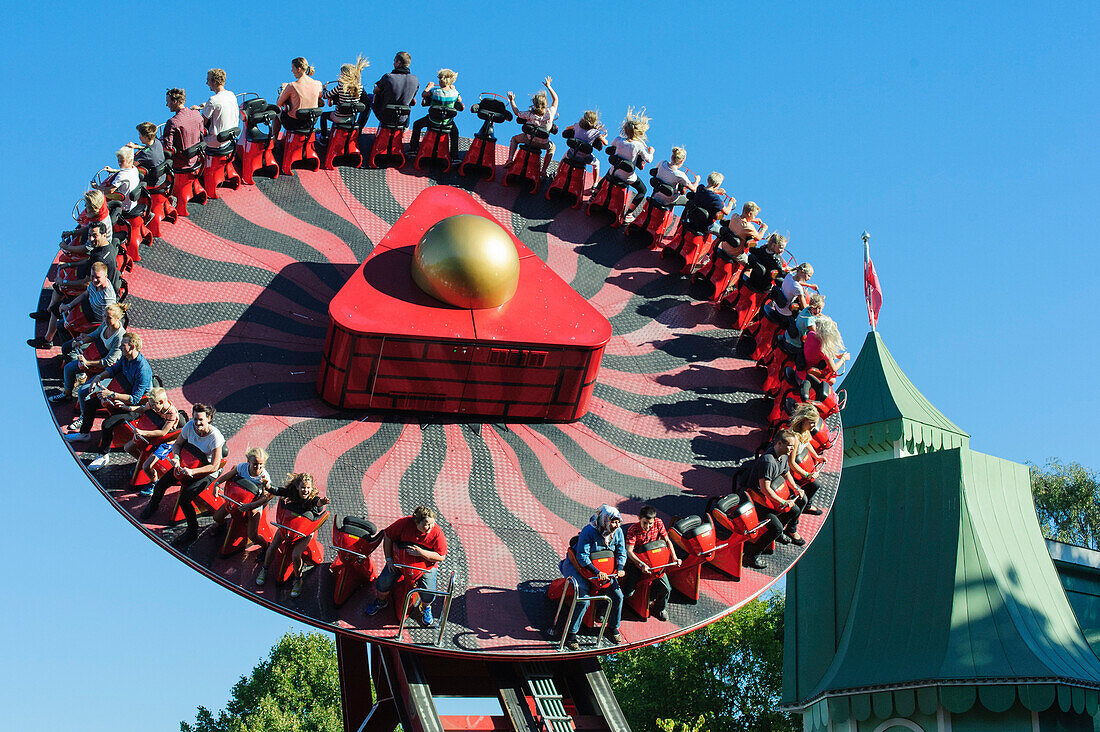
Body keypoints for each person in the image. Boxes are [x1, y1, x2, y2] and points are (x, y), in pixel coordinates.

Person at [139, 403, 225, 544]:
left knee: (185, 499)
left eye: (201, 420)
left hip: (205, 471)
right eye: (195, 418)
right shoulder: (189, 426)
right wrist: (177, 459)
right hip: (188, 463)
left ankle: (192, 531)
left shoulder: (215, 437)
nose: (197, 423)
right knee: (161, 484)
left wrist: (193, 472)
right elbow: (178, 444)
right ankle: (153, 505)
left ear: (209, 418)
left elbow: (215, 466)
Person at [30, 221, 119, 347]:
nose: (91, 239)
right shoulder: (104, 247)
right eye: (89, 236)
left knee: (58, 306)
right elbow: (89, 262)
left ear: (104, 235)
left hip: (95, 297)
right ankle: (49, 314)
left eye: (94, 236)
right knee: (58, 288)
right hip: (94, 290)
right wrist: (70, 265)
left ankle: (48, 340)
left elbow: (86, 283)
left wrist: (65, 282)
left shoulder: (100, 259)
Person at [66, 331, 152, 453]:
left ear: (132, 347)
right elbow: (113, 370)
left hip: (135, 406)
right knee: (90, 403)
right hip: (122, 392)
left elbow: (135, 399)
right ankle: (84, 433)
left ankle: (103, 454)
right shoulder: (126, 357)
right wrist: (99, 377)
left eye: (123, 345)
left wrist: (111, 394)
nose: (121, 347)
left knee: (107, 424)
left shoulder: (142, 370)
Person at [364, 506, 448, 627]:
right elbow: (387, 536)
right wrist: (389, 559)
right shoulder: (404, 523)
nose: (430, 528)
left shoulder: (437, 533)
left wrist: (421, 553)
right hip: (399, 563)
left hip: (424, 568)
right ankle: (381, 601)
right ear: (416, 522)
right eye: (426, 524)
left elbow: (441, 556)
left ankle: (425, 607)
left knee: (428, 594)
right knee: (383, 583)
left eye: (432, 524)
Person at [558, 504, 627, 650]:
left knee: (618, 595)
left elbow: (621, 552)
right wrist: (596, 572)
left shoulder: (618, 532)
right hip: (581, 568)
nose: (616, 525)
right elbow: (582, 557)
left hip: (604, 570)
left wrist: (620, 567)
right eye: (613, 522)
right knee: (583, 599)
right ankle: (571, 634)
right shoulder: (589, 531)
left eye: (618, 521)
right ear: (605, 520)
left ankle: (613, 627)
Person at [255, 472, 329, 597]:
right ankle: (264, 569)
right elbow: (277, 490)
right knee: (272, 546)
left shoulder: (313, 499)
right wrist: (267, 486)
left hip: (304, 532)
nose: (305, 490)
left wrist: (322, 502)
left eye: (308, 488)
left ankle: (298, 579)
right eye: (303, 487)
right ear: (297, 487)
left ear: (311, 488)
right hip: (287, 528)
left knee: (296, 555)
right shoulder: (291, 493)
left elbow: (317, 503)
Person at [741, 430, 806, 570]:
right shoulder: (768, 461)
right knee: (775, 528)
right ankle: (750, 556)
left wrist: (795, 488)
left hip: (769, 499)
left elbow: (786, 472)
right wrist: (783, 502)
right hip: (757, 502)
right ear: (779, 444)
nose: (792, 449)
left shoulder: (782, 457)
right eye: (789, 446)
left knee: (794, 510)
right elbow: (765, 489)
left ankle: (781, 532)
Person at [28, 257, 116, 349]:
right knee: (58, 317)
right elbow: (85, 294)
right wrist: (68, 306)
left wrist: (88, 334)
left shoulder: (107, 299)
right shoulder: (95, 284)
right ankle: (52, 339)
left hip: (93, 319)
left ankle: (68, 351)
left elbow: (104, 324)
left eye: (97, 277)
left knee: (66, 329)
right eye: (92, 276)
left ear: (105, 276)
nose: (94, 280)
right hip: (87, 307)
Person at [52, 302, 126, 404]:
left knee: (82, 392)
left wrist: (87, 363)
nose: (105, 320)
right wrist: (81, 342)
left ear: (117, 318)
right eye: (104, 316)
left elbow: (109, 361)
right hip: (96, 355)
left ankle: (84, 415)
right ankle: (66, 393)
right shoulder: (105, 324)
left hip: (106, 367)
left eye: (109, 318)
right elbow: (95, 335)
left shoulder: (119, 337)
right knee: (68, 368)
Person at [623, 506, 681, 621]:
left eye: (650, 523)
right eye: (645, 523)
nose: (647, 526)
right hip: (638, 563)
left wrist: (674, 558)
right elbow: (629, 551)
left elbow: (667, 541)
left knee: (667, 588)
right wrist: (641, 564)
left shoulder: (658, 523)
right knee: (628, 592)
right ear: (639, 518)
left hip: (655, 562)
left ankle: (660, 608)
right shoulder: (633, 530)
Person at [121, 387, 182, 490]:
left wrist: (142, 432)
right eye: (151, 404)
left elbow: (163, 433)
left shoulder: (172, 414)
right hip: (152, 434)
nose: (152, 408)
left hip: (165, 441)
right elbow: (143, 409)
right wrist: (128, 408)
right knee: (128, 448)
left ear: (161, 401)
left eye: (154, 405)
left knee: (146, 466)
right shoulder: (153, 404)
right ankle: (143, 463)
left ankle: (154, 483)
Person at [210, 447, 273, 546]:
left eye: (261, 464)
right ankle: (222, 525)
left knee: (252, 535)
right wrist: (216, 484)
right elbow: (228, 476)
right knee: (217, 517)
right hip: (237, 499)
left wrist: (250, 506)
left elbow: (265, 498)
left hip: (254, 503)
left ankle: (266, 546)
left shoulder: (264, 477)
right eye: (255, 464)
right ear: (248, 461)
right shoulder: (242, 467)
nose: (258, 467)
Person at [504, 76, 559, 177]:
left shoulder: (529, 114)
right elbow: (556, 99)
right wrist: (549, 87)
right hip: (543, 143)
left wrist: (512, 100)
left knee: (514, 139)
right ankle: (544, 170)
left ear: (534, 104)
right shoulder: (550, 113)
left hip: (529, 140)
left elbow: (517, 112)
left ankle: (510, 158)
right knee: (552, 148)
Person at [607, 109, 655, 212]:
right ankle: (629, 212)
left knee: (609, 171)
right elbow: (649, 160)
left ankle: (596, 192)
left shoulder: (618, 139)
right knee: (643, 190)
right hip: (627, 177)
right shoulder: (638, 146)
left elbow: (612, 146)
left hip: (614, 172)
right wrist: (651, 152)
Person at [410, 68, 464, 156]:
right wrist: (452, 88)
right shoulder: (454, 93)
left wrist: (429, 87)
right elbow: (459, 99)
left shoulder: (435, 92)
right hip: (447, 123)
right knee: (455, 132)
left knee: (417, 124)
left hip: (433, 121)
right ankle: (454, 155)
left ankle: (413, 148)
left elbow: (424, 94)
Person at [272, 57, 323, 139]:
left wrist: (283, 90)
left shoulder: (292, 85)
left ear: (299, 69)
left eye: (293, 68)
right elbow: (320, 96)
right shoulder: (318, 84)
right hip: (310, 122)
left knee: (276, 111)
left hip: (294, 123)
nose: (292, 71)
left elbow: (279, 103)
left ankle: (274, 139)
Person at [319, 55, 369, 140]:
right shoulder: (359, 87)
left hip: (339, 118)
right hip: (351, 119)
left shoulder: (341, 87)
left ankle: (323, 137)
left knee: (323, 116)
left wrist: (324, 88)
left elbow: (325, 96)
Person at [365, 51, 418, 128]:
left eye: (394, 61)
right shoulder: (415, 80)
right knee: (408, 101)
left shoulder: (388, 77)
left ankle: (360, 127)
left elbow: (375, 91)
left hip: (385, 116)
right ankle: (405, 127)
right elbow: (413, 96)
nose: (393, 63)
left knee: (369, 97)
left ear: (398, 62)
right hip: (402, 118)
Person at [193, 68, 239, 151]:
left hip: (216, 142)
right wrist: (206, 106)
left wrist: (196, 111)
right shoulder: (231, 95)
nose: (207, 83)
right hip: (230, 138)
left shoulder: (213, 100)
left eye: (208, 80)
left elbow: (201, 124)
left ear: (214, 81)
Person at [162, 88, 204, 169]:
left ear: (174, 101)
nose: (167, 105)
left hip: (182, 164)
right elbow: (202, 133)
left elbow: (168, 148)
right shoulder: (197, 114)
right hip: (197, 159)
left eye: (168, 102)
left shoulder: (173, 122)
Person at [561, 110, 608, 178]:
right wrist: (603, 137)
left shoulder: (577, 125)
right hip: (585, 158)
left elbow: (567, 128)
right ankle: (595, 184)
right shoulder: (595, 132)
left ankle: (558, 172)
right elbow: (606, 143)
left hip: (572, 154)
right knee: (597, 164)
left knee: (564, 156)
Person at [95, 147, 140, 213]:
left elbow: (110, 190)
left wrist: (97, 187)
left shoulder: (122, 175)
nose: (119, 163)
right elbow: (125, 173)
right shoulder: (134, 169)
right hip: (133, 204)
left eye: (122, 161)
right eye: (118, 160)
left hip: (124, 207)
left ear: (130, 160)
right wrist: (113, 170)